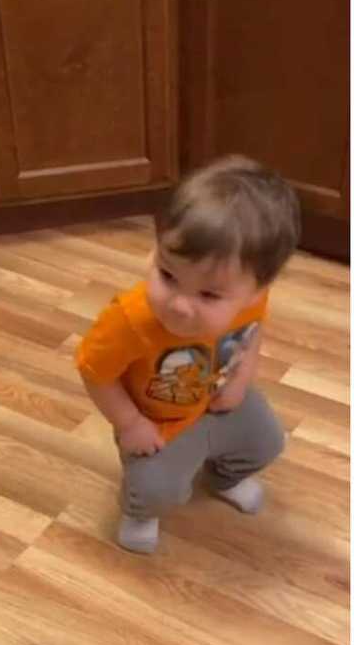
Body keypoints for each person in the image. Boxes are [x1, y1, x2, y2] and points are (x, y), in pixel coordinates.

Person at [75, 154, 300, 553]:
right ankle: (140, 512)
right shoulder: (130, 320)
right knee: (155, 488)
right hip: (159, 422)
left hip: (218, 398)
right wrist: (129, 424)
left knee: (267, 440)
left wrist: (243, 376)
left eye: (208, 294)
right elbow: (95, 371)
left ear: (258, 288)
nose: (178, 305)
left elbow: (252, 332)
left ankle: (223, 477)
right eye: (167, 273)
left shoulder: (251, 299)